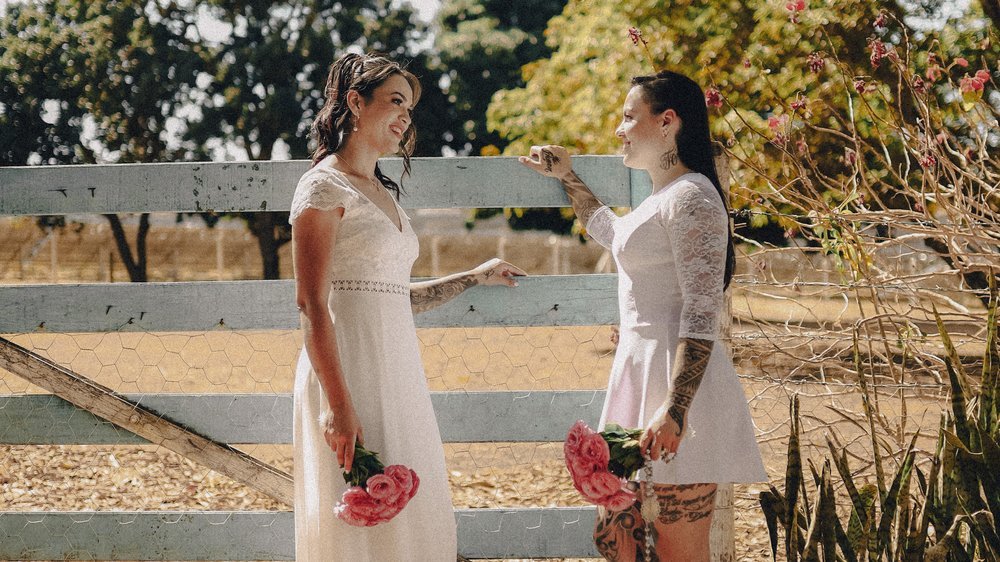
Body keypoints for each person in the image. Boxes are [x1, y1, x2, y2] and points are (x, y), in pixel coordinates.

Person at [520, 70, 767, 561]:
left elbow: (702, 310)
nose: (619, 128)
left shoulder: (693, 198)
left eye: (630, 117)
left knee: (679, 549)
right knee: (615, 537)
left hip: (677, 391)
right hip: (639, 373)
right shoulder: (662, 198)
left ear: (667, 122)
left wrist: (676, 411)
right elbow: (612, 233)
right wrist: (568, 176)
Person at [289, 52, 524, 562]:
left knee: (410, 523)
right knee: (357, 528)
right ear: (355, 102)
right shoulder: (322, 187)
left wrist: (472, 277)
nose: (405, 117)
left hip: (397, 371)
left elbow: (390, 297)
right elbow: (311, 305)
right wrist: (338, 405)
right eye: (395, 101)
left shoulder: (382, 193)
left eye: (410, 108)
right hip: (346, 373)